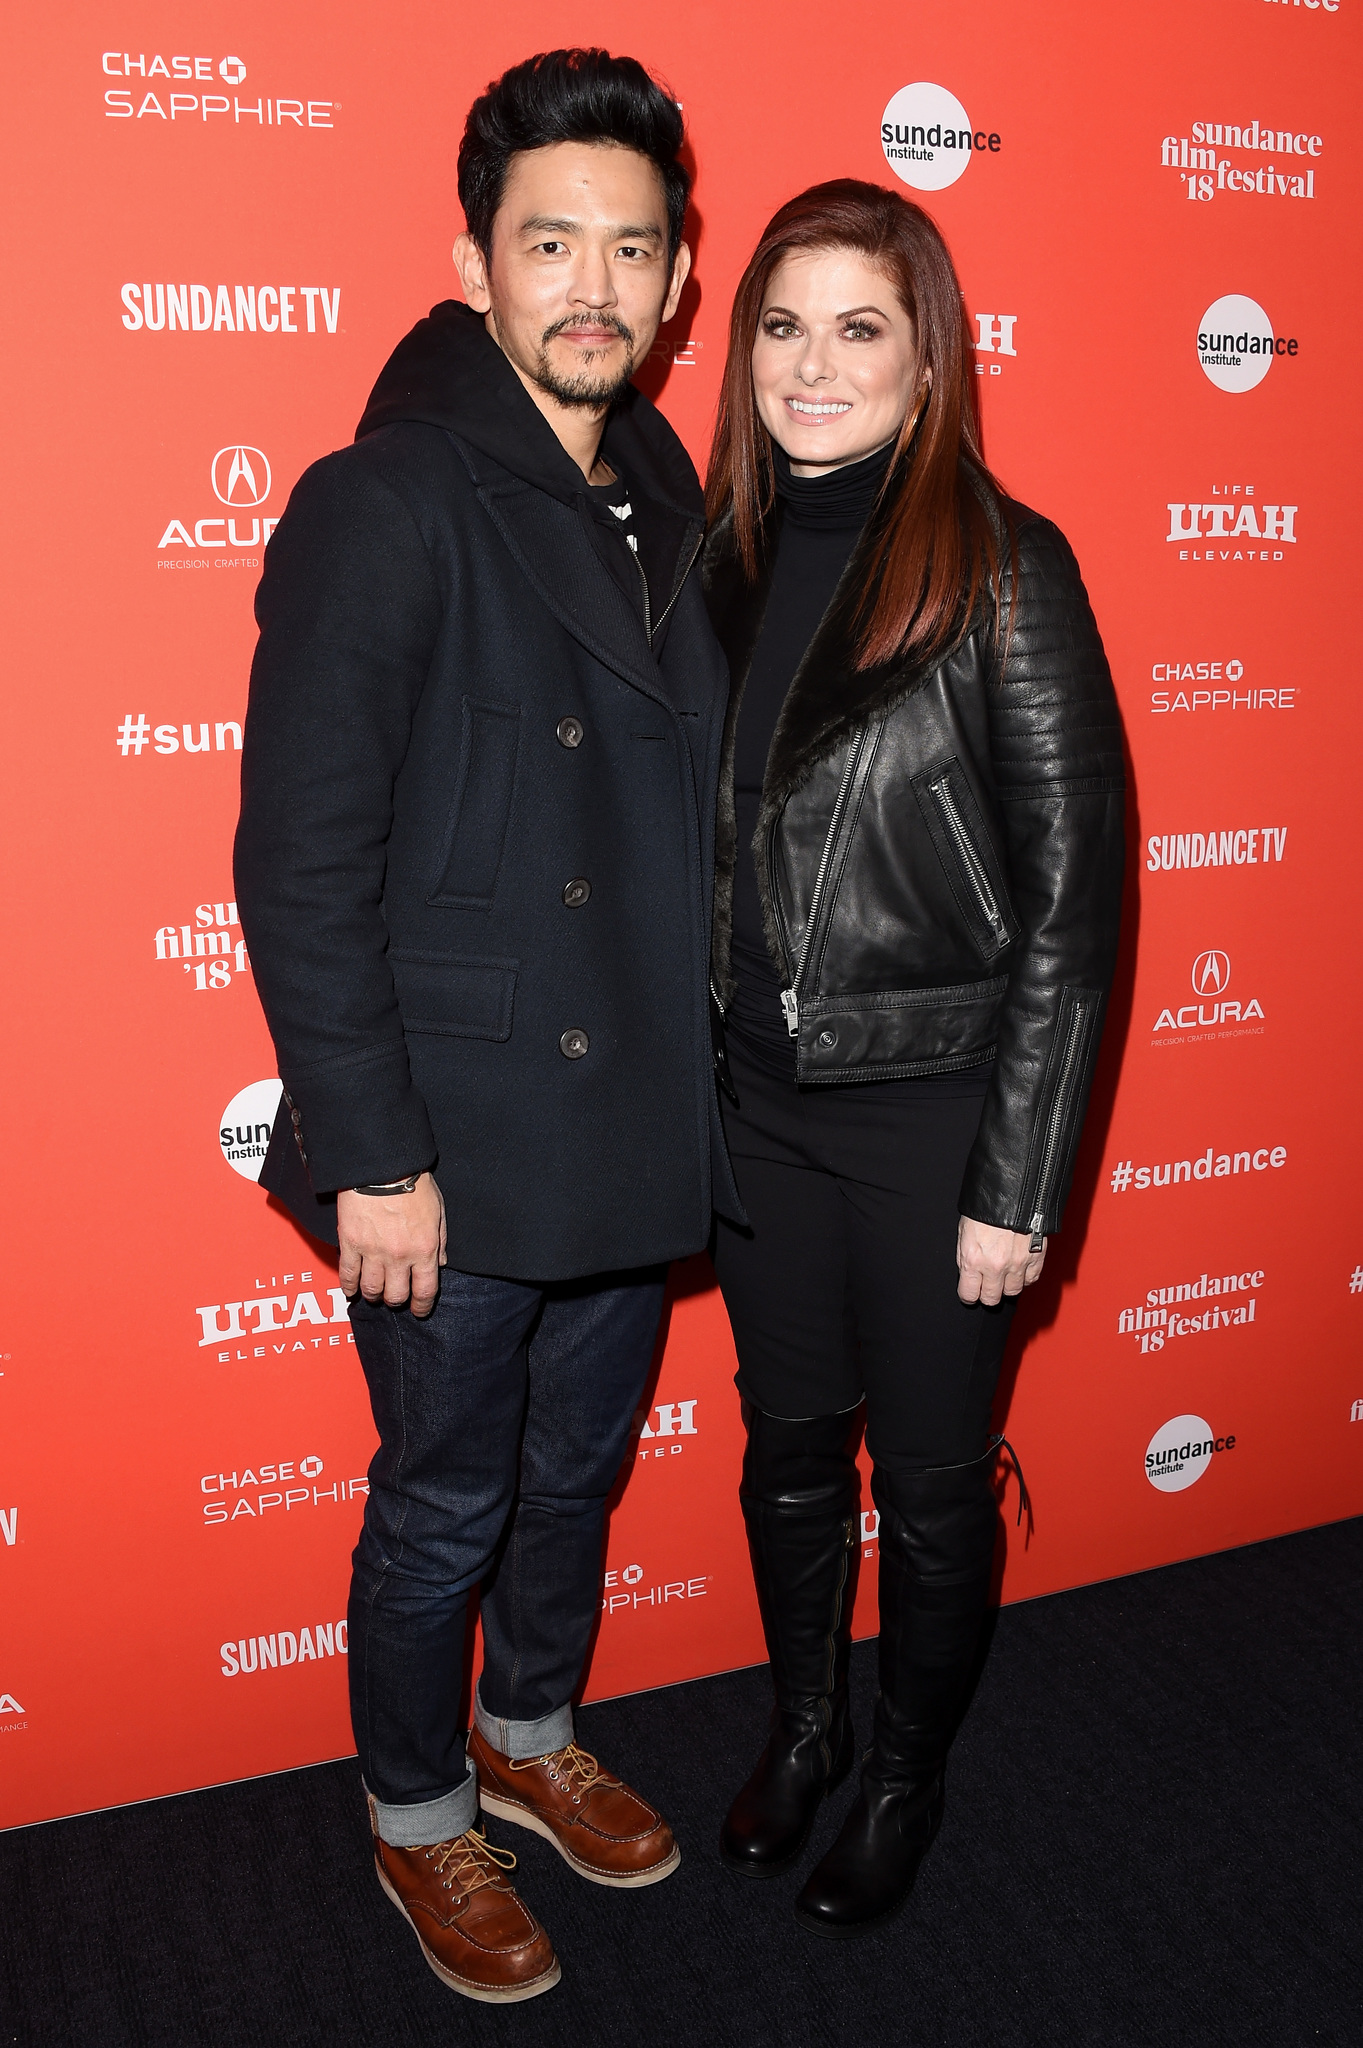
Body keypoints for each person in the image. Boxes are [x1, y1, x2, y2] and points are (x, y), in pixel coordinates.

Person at [234, 49, 738, 2004]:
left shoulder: (675, 499)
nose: (593, 283)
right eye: (552, 244)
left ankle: (529, 1733)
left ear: (681, 278)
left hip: (628, 1120)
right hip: (445, 1138)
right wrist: (373, 1150)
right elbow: (300, 859)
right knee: (442, 1493)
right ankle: (417, 1809)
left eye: (630, 246)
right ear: (475, 259)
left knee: (573, 1472)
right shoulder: (388, 495)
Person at [703, 181, 1124, 1937]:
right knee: (786, 1449)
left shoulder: (1004, 567)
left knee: (933, 1487)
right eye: (782, 326)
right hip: (753, 1108)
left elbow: (1074, 907)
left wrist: (1016, 1188)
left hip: (935, 1112)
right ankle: (805, 1727)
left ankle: (903, 1774)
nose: (814, 365)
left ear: (926, 353)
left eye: (859, 327)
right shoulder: (712, 563)